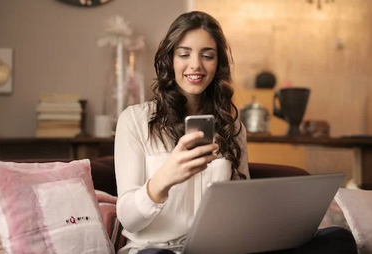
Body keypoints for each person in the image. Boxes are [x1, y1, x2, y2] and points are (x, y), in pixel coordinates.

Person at [114, 11, 357, 254]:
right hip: (156, 250)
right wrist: (164, 179)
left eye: (207, 55)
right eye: (184, 54)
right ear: (170, 59)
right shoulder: (135, 120)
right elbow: (128, 219)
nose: (196, 65)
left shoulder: (232, 125)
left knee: (338, 239)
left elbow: (242, 204)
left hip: (218, 249)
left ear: (217, 63)